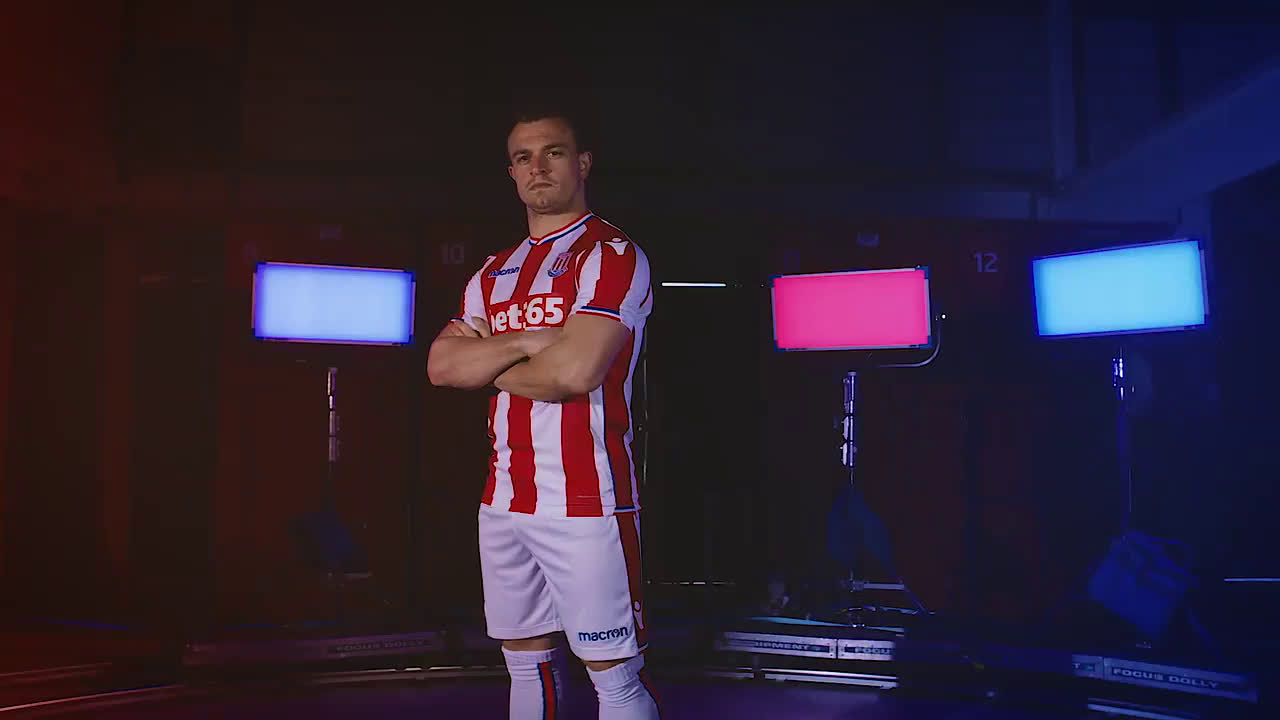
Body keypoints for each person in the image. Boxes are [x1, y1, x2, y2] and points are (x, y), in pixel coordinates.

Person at [427, 105, 660, 720]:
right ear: (511, 173)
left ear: (582, 163)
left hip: (588, 499)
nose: (538, 167)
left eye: (553, 152)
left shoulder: (609, 254)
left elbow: (573, 375)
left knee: (615, 679)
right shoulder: (491, 273)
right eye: (523, 157)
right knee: (525, 665)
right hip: (503, 499)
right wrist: (531, 342)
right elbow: (441, 366)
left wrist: (486, 363)